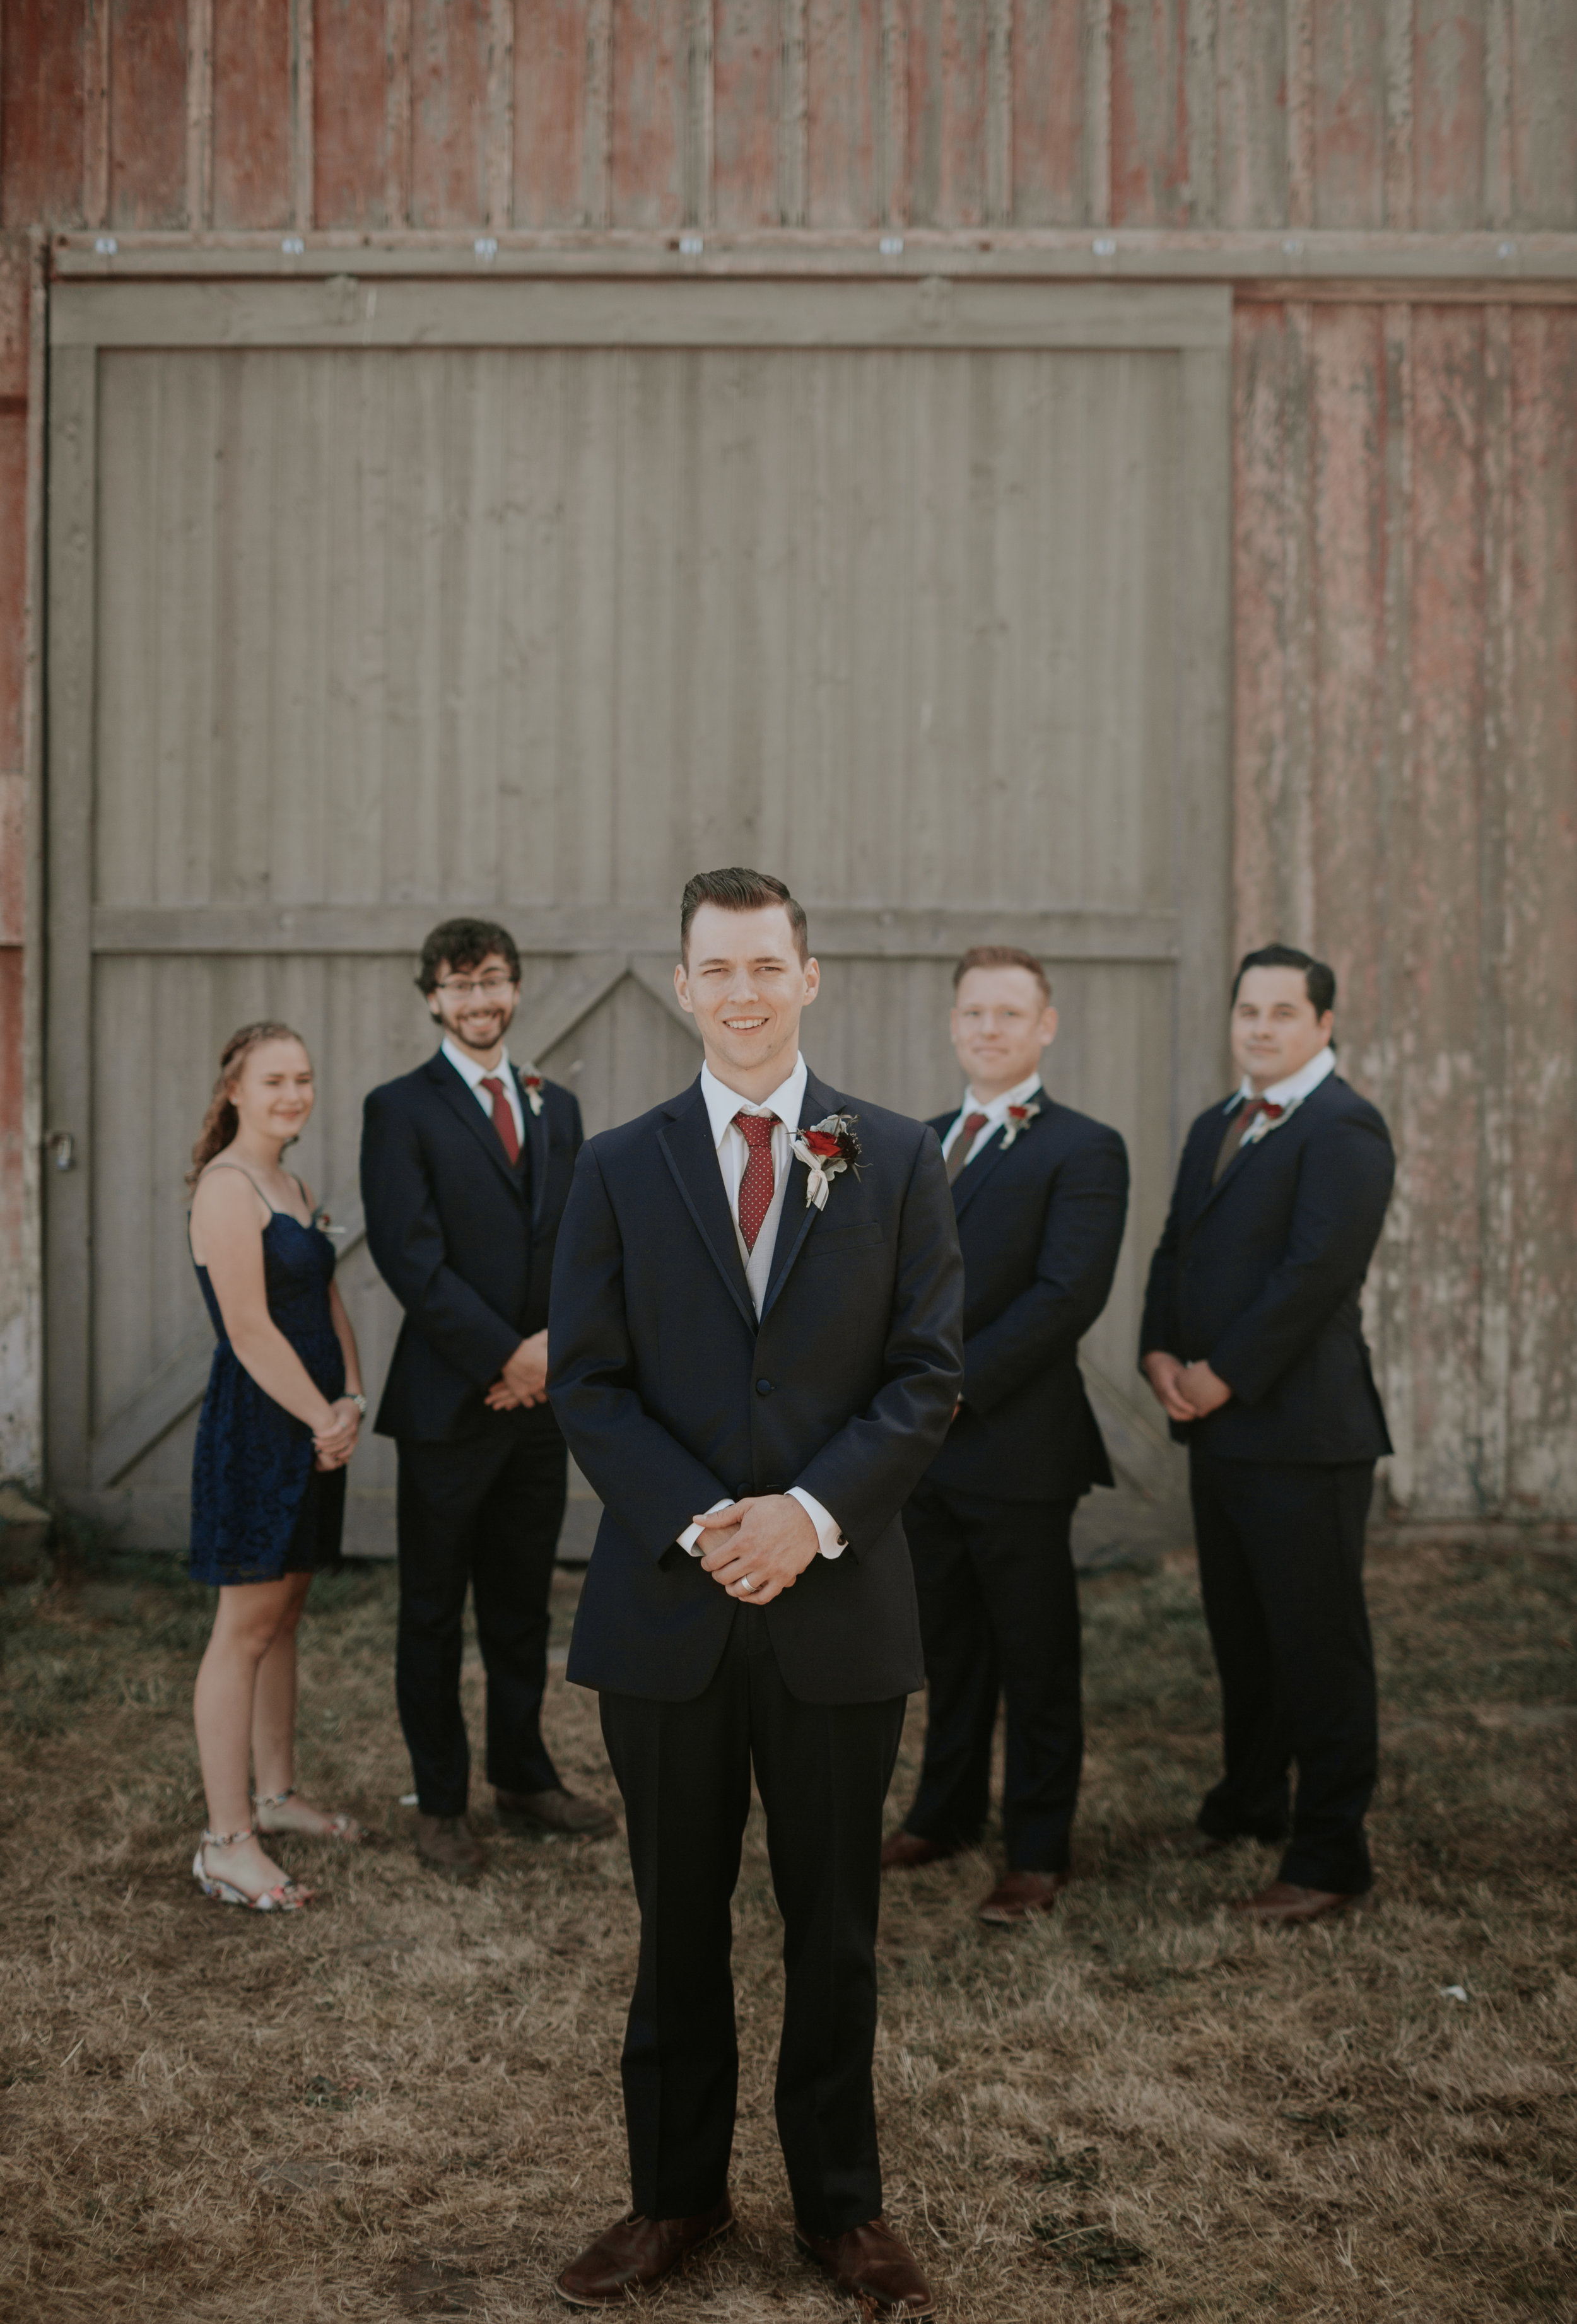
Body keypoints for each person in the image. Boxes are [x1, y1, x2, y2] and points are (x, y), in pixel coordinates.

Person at [547, 868, 963, 2316]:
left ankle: (840, 2211)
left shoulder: (894, 1154)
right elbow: (589, 1385)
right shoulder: (616, 1164)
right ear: (681, 983)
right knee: (676, 1926)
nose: (740, 991)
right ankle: (673, 2199)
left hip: (835, 1611)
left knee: (833, 1927)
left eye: (763, 966)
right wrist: (705, 1525)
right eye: (713, 969)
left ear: (808, 976)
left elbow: (925, 1376)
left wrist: (807, 1516)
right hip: (666, 1613)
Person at [1139, 945, 1395, 1925]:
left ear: (1323, 1024)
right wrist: (1160, 1353)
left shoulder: (1345, 1127)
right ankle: (1248, 1800)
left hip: (1304, 1432)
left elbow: (1312, 1275)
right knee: (1244, 1636)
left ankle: (1332, 1853)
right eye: (1249, 1009)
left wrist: (1222, 1373)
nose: (1260, 1026)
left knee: (1318, 1643)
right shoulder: (1220, 1122)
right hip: (1217, 1429)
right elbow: (1175, 1248)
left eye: (1284, 1012)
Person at [360, 918, 614, 1883]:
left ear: (516, 988)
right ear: (432, 996)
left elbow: (583, 1244)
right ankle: (439, 1799)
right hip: (448, 1402)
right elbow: (409, 1258)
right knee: (432, 1609)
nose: (478, 1000)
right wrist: (503, 1356)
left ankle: (523, 1774)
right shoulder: (400, 1109)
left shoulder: (558, 1107)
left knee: (519, 1607)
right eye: (459, 985)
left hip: (542, 1401)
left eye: (494, 981)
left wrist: (547, 1356)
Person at [881, 946, 1129, 1925]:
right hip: (921, 1448)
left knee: (1034, 1652)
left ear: (1045, 1025)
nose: (989, 1027)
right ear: (953, 1024)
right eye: (974, 1012)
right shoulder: (921, 1140)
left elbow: (1068, 1295)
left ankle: (1037, 1845)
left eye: (1009, 1013)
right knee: (949, 1643)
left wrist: (950, 1386)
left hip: (1017, 1443)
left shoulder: (1084, 1146)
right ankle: (945, 1810)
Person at [187, 1022, 368, 1911]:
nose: (293, 1093)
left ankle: (279, 1792)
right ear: (234, 1090)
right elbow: (251, 1328)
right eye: (274, 1080)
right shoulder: (226, 1188)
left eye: (303, 1077)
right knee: (245, 1624)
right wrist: (316, 1415)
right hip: (263, 1425)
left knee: (287, 1612)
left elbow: (327, 1299)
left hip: (315, 1422)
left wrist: (356, 1397)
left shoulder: (292, 1183)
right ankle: (226, 1842)